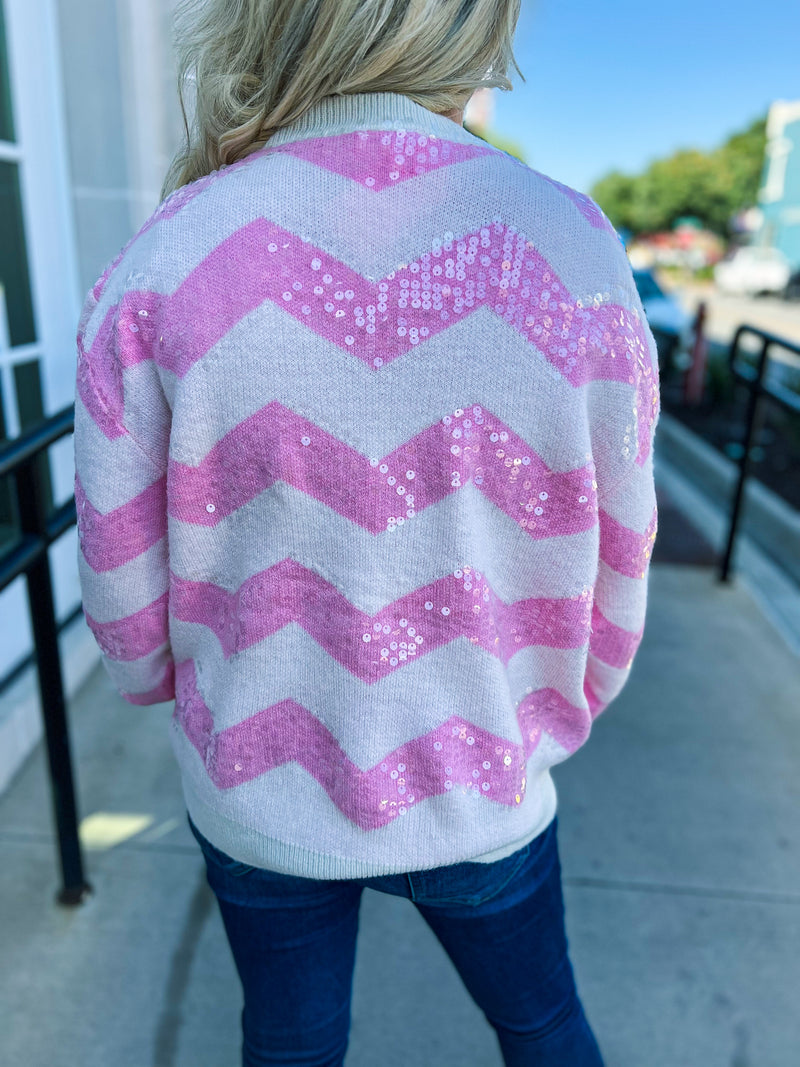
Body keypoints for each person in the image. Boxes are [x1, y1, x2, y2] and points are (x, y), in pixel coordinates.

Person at [73, 1, 660, 1064]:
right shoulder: (568, 243)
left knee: (289, 1044)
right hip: (485, 772)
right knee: (541, 1025)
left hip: (255, 784)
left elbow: (119, 587)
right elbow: (618, 554)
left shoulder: (166, 254)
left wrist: (189, 696)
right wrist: (558, 704)